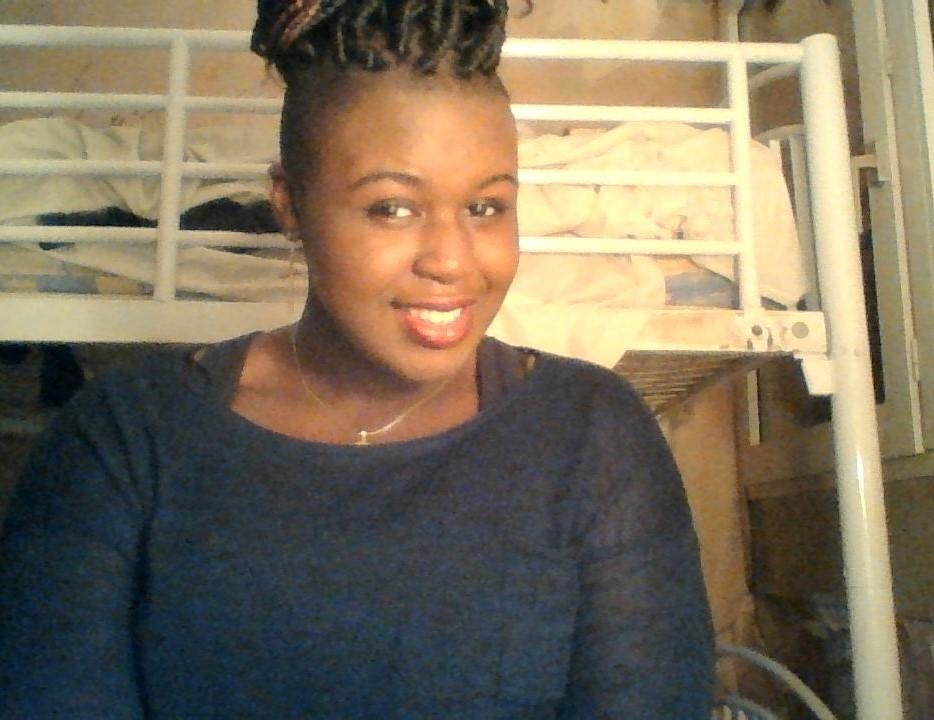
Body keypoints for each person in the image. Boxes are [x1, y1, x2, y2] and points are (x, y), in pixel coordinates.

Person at [0, 1, 714, 717]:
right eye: (392, 208)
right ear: (289, 204)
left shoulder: (593, 433)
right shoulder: (124, 439)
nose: (452, 261)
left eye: (486, 208)